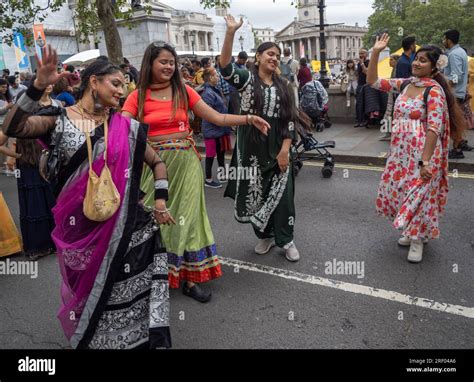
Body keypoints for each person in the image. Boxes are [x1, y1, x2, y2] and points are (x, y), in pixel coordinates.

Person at [2, 45, 174, 349]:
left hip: (128, 228)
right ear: (93, 81)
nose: (122, 91)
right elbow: (11, 127)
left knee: (129, 291)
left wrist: (160, 200)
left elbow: (157, 162)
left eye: (124, 85)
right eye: (116, 84)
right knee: (91, 293)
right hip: (80, 233)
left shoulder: (126, 126)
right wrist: (38, 85)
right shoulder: (59, 120)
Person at [121, 41, 270, 301]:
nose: (169, 66)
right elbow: (123, 128)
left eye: (172, 62)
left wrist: (248, 119)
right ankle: (157, 275)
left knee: (187, 221)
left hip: (187, 165)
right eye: (163, 61)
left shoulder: (184, 91)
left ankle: (189, 280)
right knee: (155, 223)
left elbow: (218, 118)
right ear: (150, 64)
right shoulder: (137, 95)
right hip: (153, 168)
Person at [367, 34, 466, 263]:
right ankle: (412, 230)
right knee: (404, 191)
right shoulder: (405, 84)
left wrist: (426, 161)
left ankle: (418, 239)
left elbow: (434, 128)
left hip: (423, 153)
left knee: (420, 195)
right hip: (401, 152)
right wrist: (375, 52)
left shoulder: (434, 91)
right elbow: (372, 81)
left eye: (423, 60)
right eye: (416, 59)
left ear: (433, 68)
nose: (416, 63)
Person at [220, 15, 307, 262]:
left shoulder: (285, 85)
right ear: (257, 57)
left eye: (277, 56)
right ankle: (265, 235)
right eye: (269, 53)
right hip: (251, 150)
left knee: (283, 198)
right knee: (255, 194)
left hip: (278, 147)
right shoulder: (247, 81)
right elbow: (225, 66)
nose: (274, 58)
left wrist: (284, 149)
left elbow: (290, 120)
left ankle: (286, 239)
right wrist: (230, 33)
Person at [13, 79, 60, 261]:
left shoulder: (57, 104)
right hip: (30, 158)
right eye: (44, 82)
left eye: (50, 82)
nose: (49, 84)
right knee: (34, 202)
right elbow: (12, 130)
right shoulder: (25, 102)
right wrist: (14, 156)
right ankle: (38, 246)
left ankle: (56, 241)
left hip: (51, 158)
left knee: (52, 198)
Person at [201, 67, 232, 189]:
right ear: (210, 78)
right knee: (210, 155)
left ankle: (222, 174)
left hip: (219, 128)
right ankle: (208, 179)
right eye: (216, 76)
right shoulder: (208, 93)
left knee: (220, 152)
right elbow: (207, 112)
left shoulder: (214, 90)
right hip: (211, 129)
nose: (218, 78)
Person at [442, 29, 470, 159]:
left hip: (454, 93)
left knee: (454, 122)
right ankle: (460, 144)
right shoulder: (461, 52)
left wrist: (443, 82)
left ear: (449, 40)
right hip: (460, 92)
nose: (443, 42)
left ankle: (457, 149)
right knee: (458, 120)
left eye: (444, 39)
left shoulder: (453, 54)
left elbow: (456, 77)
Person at [379, 54, 400, 141]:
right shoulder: (394, 70)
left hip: (394, 95)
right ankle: (388, 132)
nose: (389, 62)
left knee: (389, 113)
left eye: (391, 60)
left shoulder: (396, 70)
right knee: (388, 114)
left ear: (396, 61)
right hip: (392, 94)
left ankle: (389, 133)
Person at [354, 49, 370, 127]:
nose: (361, 55)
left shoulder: (368, 62)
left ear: (366, 54)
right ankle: (359, 120)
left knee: (365, 103)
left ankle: (365, 120)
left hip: (366, 85)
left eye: (362, 53)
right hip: (360, 85)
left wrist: (362, 63)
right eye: (360, 53)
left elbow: (366, 72)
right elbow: (358, 74)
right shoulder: (359, 63)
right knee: (358, 103)